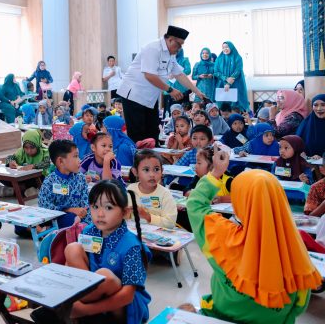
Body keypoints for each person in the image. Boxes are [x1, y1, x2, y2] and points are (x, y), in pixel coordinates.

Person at [186, 148, 320, 323]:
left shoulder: (223, 236)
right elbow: (299, 305)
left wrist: (216, 173)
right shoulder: (294, 249)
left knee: (185, 309)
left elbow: (195, 205)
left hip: (220, 317)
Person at [34, 181, 151, 324]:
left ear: (125, 212)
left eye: (108, 207)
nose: (100, 214)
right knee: (72, 249)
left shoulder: (132, 246)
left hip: (122, 308)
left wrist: (84, 310)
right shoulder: (89, 231)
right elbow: (70, 267)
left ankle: (71, 309)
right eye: (95, 207)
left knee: (105, 275)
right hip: (91, 294)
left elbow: (127, 296)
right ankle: (72, 306)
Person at [116, 26, 208, 143]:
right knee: (138, 134)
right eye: (179, 44)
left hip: (149, 98)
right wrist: (170, 90)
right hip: (134, 95)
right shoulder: (153, 48)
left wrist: (198, 92)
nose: (180, 48)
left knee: (153, 132)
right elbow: (149, 75)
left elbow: (179, 75)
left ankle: (154, 159)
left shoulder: (170, 55)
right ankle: (138, 160)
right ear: (170, 40)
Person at [38, 140, 89, 229]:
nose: (79, 161)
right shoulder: (50, 181)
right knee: (20, 225)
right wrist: (68, 210)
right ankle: (46, 229)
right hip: (56, 218)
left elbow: (86, 202)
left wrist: (82, 213)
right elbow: (44, 206)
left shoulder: (80, 178)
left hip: (77, 218)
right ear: (61, 161)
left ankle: (46, 231)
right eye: (75, 156)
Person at [128, 151, 177, 228]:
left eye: (156, 169)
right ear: (135, 172)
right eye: (146, 170)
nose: (152, 175)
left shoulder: (165, 194)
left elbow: (170, 223)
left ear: (162, 171)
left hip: (159, 236)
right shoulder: (131, 190)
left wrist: (147, 216)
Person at [1, 129, 50, 198]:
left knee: (39, 179)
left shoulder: (45, 151)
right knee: (2, 177)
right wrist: (10, 162)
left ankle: (14, 190)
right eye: (26, 148)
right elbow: (10, 157)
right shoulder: (22, 151)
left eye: (32, 147)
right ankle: (25, 190)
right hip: (26, 178)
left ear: (37, 143)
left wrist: (33, 166)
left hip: (39, 178)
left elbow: (47, 163)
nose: (29, 151)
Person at [213, 41, 250, 111]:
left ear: (231, 47)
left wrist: (229, 83)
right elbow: (216, 72)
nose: (225, 49)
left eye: (227, 47)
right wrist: (226, 79)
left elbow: (238, 71)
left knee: (235, 106)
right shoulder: (219, 59)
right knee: (222, 106)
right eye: (223, 47)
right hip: (222, 84)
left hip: (236, 83)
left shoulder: (238, 58)